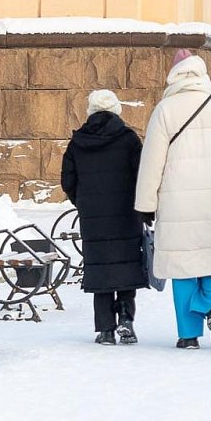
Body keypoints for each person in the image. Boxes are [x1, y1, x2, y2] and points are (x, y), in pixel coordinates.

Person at [135, 49, 211, 350]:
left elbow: (152, 162)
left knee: (182, 267)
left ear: (173, 76)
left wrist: (146, 204)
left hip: (176, 203)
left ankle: (188, 335)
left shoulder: (165, 109)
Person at [60, 89, 146, 346]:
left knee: (100, 271)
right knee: (126, 266)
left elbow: (68, 179)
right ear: (117, 109)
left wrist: (83, 202)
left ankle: (106, 329)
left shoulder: (78, 141)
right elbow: (142, 175)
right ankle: (126, 319)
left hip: (94, 217)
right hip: (126, 214)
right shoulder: (129, 139)